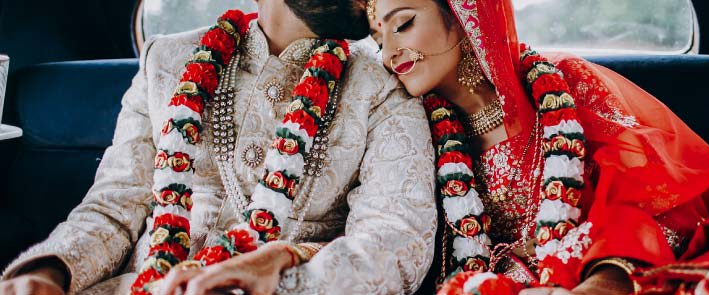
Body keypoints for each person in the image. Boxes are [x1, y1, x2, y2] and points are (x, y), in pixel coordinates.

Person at [0, 0, 437, 294]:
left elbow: (397, 240)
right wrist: (49, 270)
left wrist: (286, 272)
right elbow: (115, 207)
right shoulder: (166, 60)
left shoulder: (383, 87)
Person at [368, 0, 709, 294]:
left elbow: (644, 200)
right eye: (377, 36)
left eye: (402, 24)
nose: (388, 53)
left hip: (602, 267)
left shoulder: (563, 81)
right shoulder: (415, 130)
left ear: (460, 17)